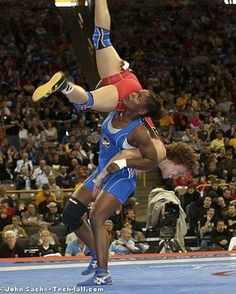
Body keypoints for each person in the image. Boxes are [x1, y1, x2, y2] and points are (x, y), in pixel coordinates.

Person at [32, 0, 196, 286]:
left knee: (90, 216)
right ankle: (99, 255)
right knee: (90, 94)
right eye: (137, 95)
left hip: (118, 176)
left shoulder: (142, 132)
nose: (135, 97)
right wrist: (104, 173)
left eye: (138, 98)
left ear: (141, 109)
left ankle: (102, 269)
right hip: (107, 158)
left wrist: (114, 168)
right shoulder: (126, 109)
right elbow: (134, 155)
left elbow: (141, 159)